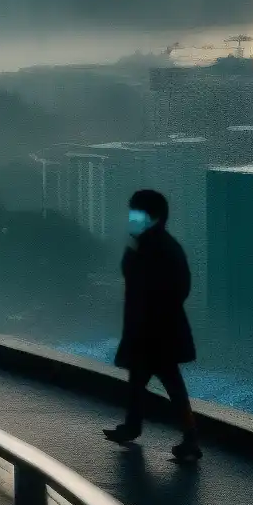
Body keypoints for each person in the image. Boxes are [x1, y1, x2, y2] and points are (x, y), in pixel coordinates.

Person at [104, 187, 202, 463]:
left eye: (137, 212)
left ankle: (187, 437)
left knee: (166, 384)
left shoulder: (160, 247)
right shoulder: (150, 243)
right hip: (154, 330)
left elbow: (176, 287)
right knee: (146, 381)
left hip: (156, 331)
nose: (132, 217)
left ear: (153, 216)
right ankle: (139, 428)